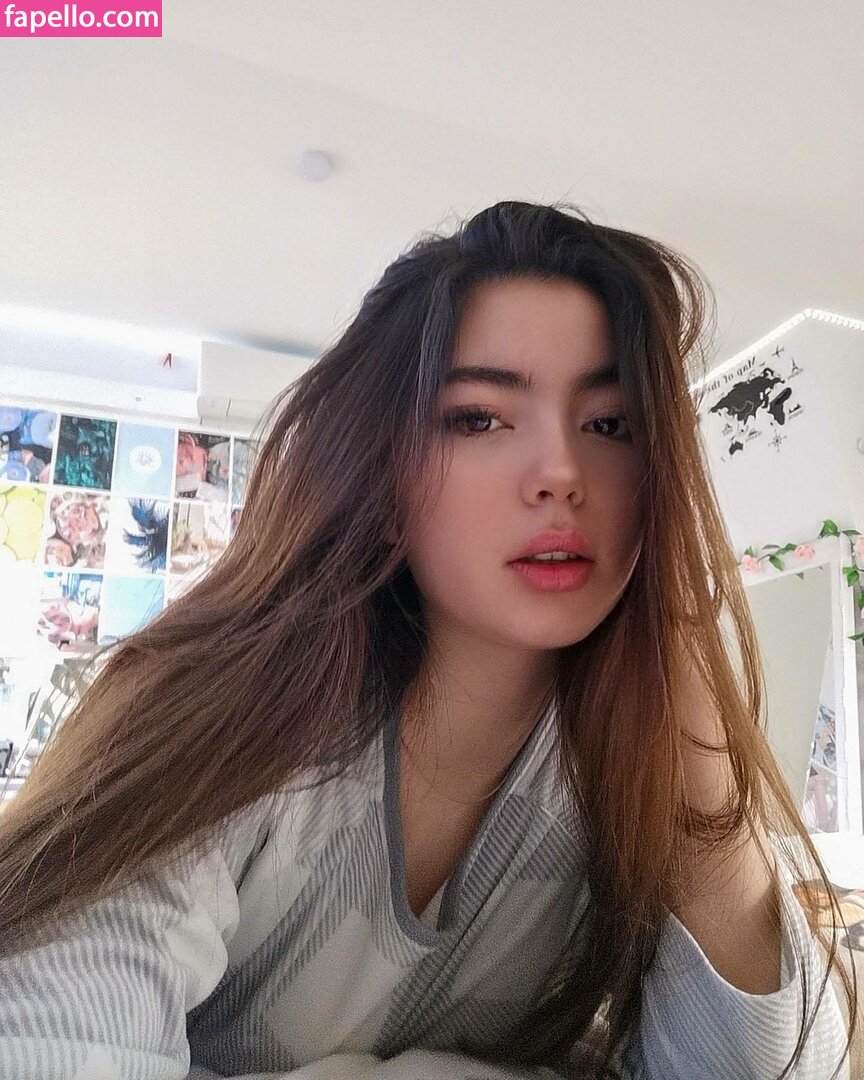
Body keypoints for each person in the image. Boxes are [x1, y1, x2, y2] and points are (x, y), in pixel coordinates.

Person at [0, 201, 856, 1080]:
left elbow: (785, 1070)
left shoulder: (627, 764)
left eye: (610, 424)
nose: (562, 474)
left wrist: (696, 749)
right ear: (380, 463)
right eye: (479, 418)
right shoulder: (214, 707)